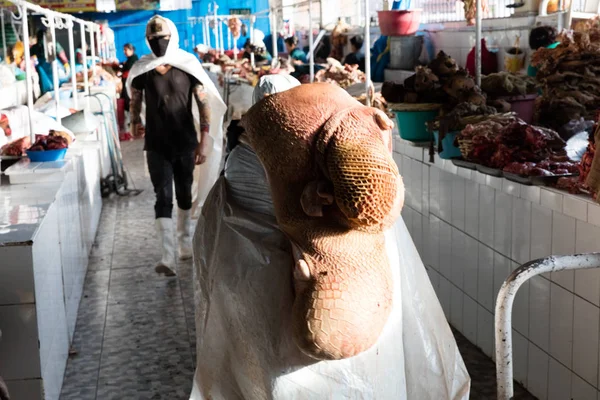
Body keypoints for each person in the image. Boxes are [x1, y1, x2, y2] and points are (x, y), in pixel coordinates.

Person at [189, 75, 470, 399]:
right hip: (281, 284)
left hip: (269, 285)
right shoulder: (272, 161)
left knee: (279, 376)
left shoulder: (248, 160)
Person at [126, 16, 226, 276]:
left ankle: (184, 243)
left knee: (183, 194)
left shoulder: (187, 66)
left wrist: (205, 139)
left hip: (185, 143)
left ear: (172, 38)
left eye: (163, 39)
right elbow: (135, 100)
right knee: (163, 196)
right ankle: (167, 255)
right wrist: (134, 121)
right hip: (156, 144)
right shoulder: (143, 70)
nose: (159, 43)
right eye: (153, 40)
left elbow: (204, 104)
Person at [119, 43, 138, 111]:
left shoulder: (133, 59)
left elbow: (129, 70)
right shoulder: (129, 59)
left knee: (128, 99)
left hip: (130, 83)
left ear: (131, 50)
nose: (124, 52)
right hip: (127, 82)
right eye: (124, 50)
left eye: (125, 50)